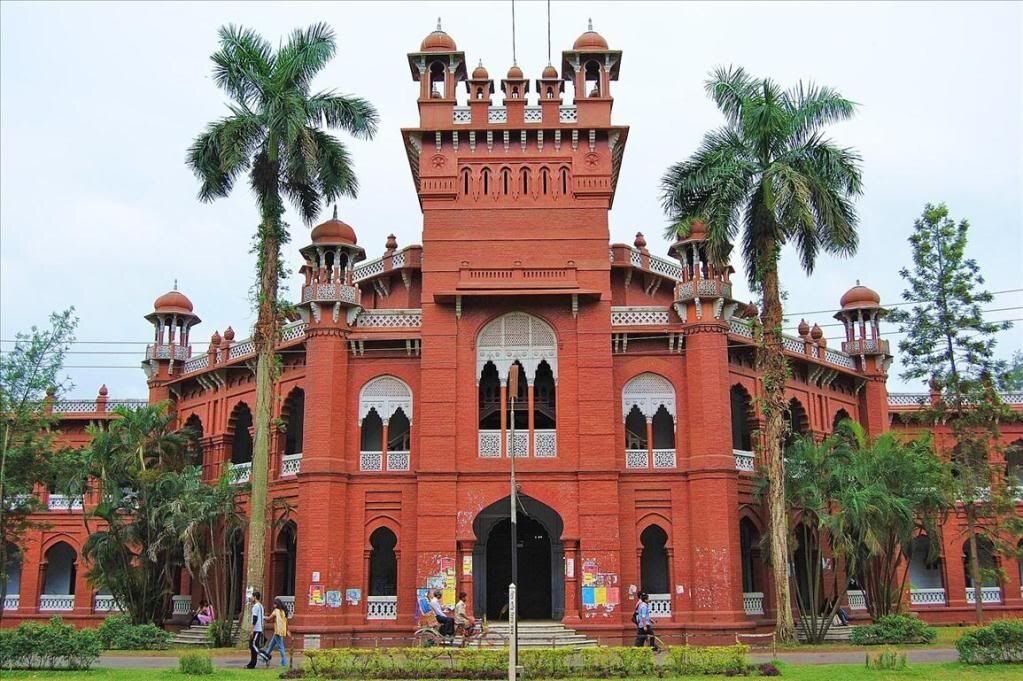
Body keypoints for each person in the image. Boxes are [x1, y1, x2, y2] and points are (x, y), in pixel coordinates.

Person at [259, 598, 290, 668]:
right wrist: (287, 630)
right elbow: (286, 622)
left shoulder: (276, 611)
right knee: (271, 646)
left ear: (276, 604)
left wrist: (262, 617)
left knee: (281, 647)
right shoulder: (283, 611)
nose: (273, 605)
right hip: (282, 631)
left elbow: (269, 618)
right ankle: (265, 658)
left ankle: (285, 663)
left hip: (277, 631)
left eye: (274, 604)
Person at [245, 591, 265, 670]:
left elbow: (255, 619)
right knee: (252, 646)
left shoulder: (256, 607)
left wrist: (252, 629)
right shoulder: (261, 606)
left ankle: (266, 656)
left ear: (255, 597)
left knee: (254, 646)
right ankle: (252, 663)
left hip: (256, 629)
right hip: (259, 629)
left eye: (252, 597)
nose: (251, 598)